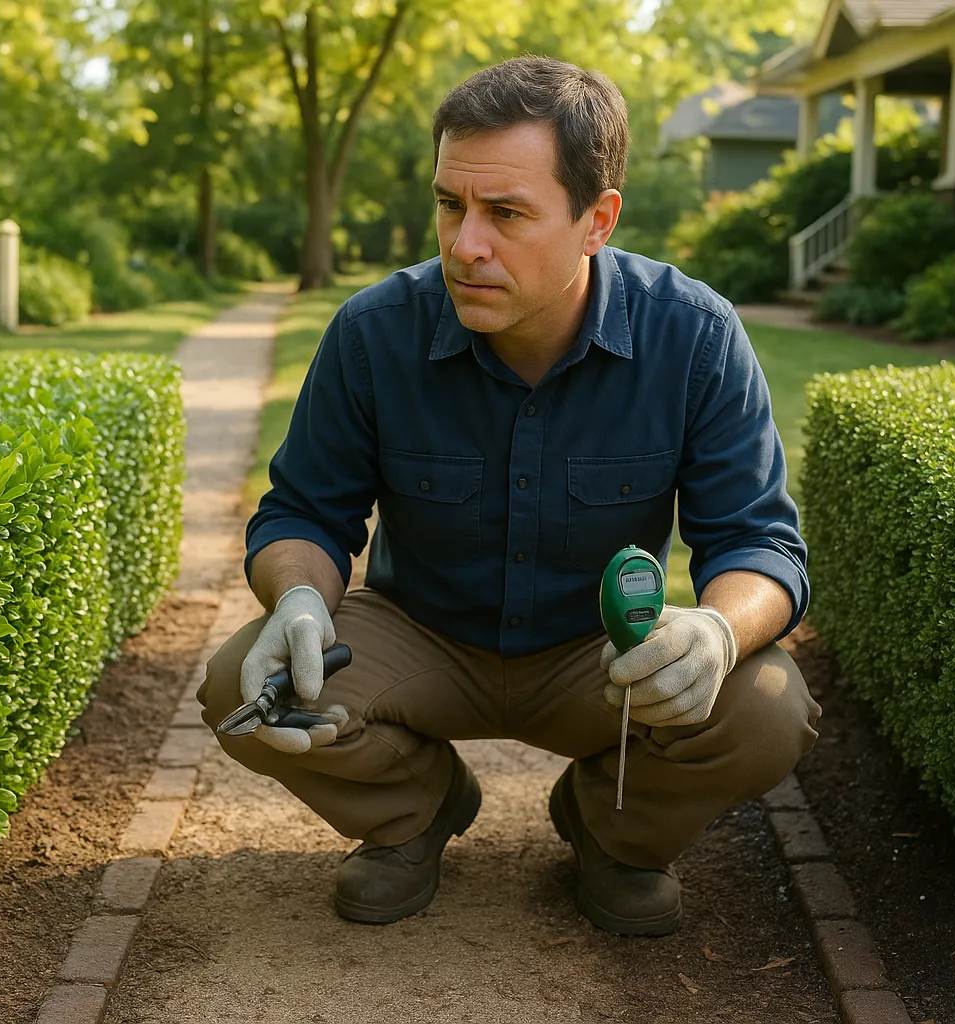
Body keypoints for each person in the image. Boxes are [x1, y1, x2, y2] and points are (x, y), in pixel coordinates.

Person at [198, 55, 821, 937]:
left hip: (597, 657)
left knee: (767, 709)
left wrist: (716, 630)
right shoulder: (374, 333)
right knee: (241, 686)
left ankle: (612, 830)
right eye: (451, 204)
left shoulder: (696, 336)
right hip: (422, 636)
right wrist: (299, 597)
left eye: (507, 213)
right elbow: (303, 511)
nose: (464, 243)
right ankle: (416, 810)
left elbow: (760, 544)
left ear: (596, 219)